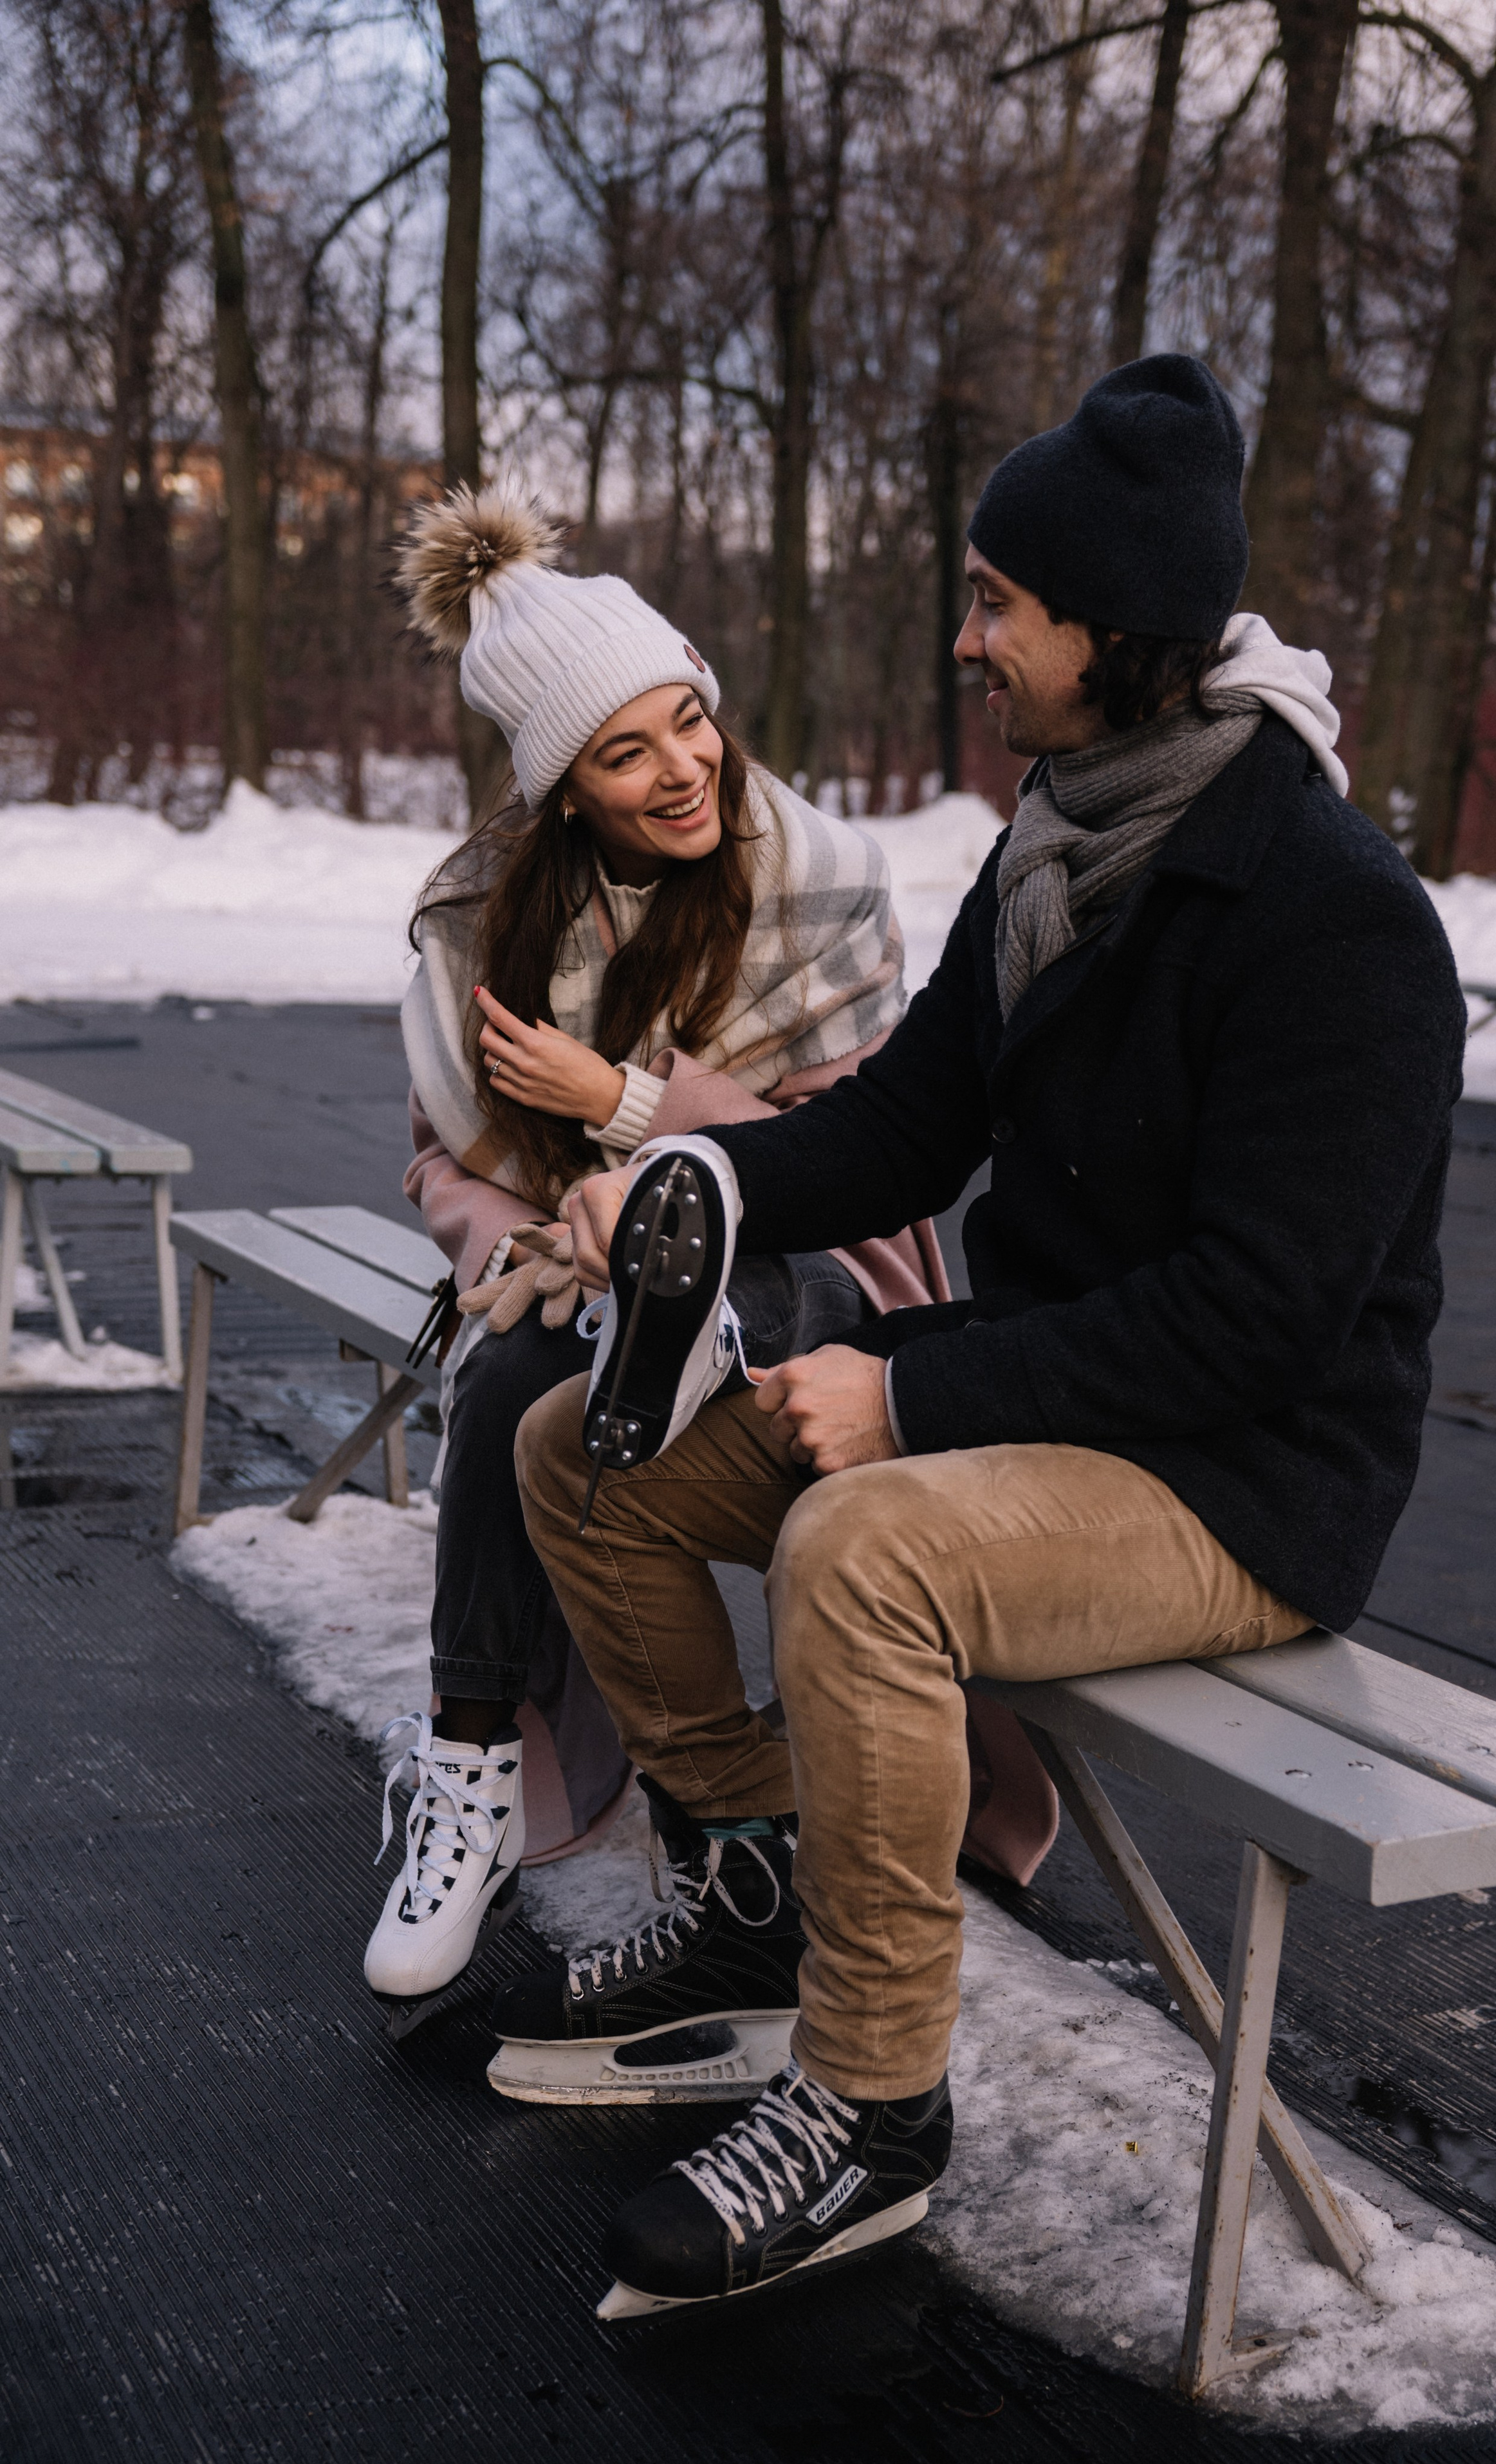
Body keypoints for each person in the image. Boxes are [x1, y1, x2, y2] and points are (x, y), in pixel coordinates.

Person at [504, 353, 1468, 2316]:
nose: (970, 642)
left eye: (995, 606)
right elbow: (906, 1124)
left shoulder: (1331, 915)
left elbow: (1265, 1321)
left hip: (1248, 1481)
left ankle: (872, 2106)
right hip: (1049, 1407)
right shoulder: (1058, 841)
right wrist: (687, 1183)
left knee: (865, 1553)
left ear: (1109, 630)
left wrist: (918, 1388)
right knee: (571, 1459)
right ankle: (759, 1880)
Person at [364, 483, 947, 2022]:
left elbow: (861, 1162)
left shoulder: (816, 886)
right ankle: (475, 1766)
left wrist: (627, 1107)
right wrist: (530, 1241)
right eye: (626, 753)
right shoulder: (488, 921)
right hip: (588, 1292)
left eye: (688, 719)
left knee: (654, 1319)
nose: (684, 766)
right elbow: (444, 1158)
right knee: (517, 1378)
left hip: (821, 1282)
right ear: (562, 790)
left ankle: (716, 1831)